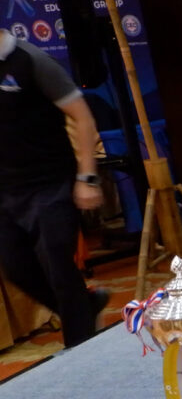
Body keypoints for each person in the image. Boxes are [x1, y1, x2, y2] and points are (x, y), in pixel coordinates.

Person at [0, 27, 106, 347]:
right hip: (6, 189)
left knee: (57, 265)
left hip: (51, 184)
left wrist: (87, 178)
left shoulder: (31, 60)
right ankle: (85, 307)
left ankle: (81, 348)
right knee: (16, 268)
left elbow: (83, 117)